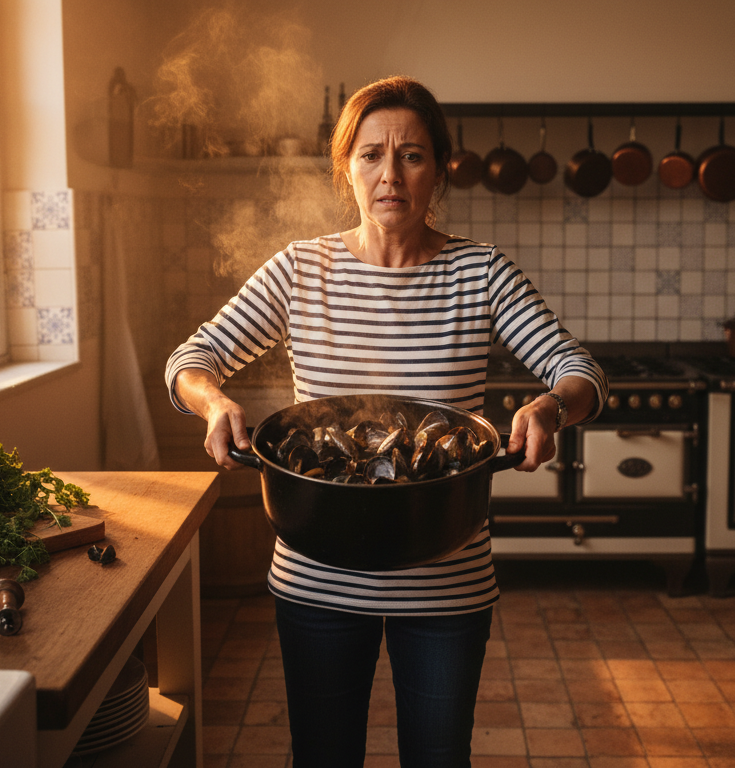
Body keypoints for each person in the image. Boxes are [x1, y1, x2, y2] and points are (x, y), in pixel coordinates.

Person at [165, 76, 608, 767]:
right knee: (323, 756)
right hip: (316, 576)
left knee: (438, 757)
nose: (390, 174)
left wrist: (552, 404)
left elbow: (577, 369)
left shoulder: (480, 273)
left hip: (447, 576)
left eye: (412, 156)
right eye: (371, 155)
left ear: (439, 170)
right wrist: (214, 401)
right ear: (346, 168)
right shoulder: (299, 270)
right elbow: (194, 357)